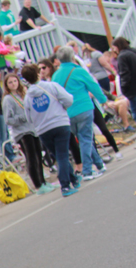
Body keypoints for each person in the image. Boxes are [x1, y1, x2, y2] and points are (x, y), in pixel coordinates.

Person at [53, 45, 109, 181]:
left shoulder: (56, 76)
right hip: (84, 107)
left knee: (83, 138)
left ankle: (99, 164)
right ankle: (88, 170)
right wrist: (103, 100)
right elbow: (93, 85)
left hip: (68, 112)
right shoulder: (78, 70)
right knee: (85, 138)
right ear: (72, 56)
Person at [21, 64, 79, 196]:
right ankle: (65, 185)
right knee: (63, 155)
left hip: (43, 130)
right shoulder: (51, 86)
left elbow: (29, 118)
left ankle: (74, 179)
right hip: (59, 123)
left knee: (59, 155)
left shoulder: (28, 97)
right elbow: (68, 99)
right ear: (38, 74)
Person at [2, 72, 55, 194]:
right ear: (6, 85)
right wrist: (22, 118)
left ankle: (43, 181)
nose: (13, 84)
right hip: (22, 132)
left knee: (38, 156)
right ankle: (37, 185)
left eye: (15, 81)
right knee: (31, 157)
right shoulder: (8, 99)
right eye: (10, 82)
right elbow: (8, 119)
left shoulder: (23, 95)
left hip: (33, 129)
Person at [111, 37, 136, 118]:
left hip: (132, 88)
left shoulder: (122, 56)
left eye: (114, 47)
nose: (114, 50)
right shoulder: (133, 52)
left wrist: (124, 89)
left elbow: (125, 74)